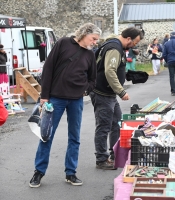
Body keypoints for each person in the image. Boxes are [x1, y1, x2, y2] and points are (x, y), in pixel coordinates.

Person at [29, 23, 101, 188]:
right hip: (55, 99)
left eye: (97, 40)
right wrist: (44, 96)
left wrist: (85, 90)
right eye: (94, 38)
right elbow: (48, 69)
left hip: (76, 100)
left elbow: (92, 79)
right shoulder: (63, 43)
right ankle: (38, 172)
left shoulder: (90, 55)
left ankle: (71, 172)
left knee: (74, 137)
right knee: (46, 135)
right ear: (85, 33)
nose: (95, 42)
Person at [90, 27, 143, 170]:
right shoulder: (114, 48)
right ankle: (101, 159)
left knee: (117, 125)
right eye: (135, 42)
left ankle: (114, 155)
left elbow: (114, 69)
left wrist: (128, 75)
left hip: (109, 94)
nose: (134, 45)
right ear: (128, 38)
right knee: (104, 126)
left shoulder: (116, 47)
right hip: (103, 93)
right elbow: (109, 70)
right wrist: (120, 91)